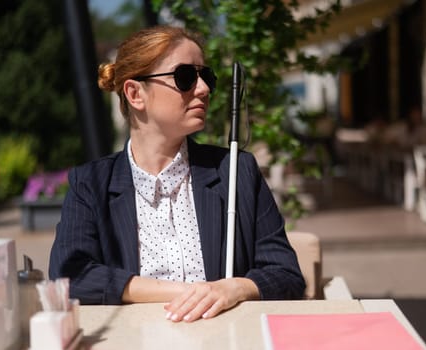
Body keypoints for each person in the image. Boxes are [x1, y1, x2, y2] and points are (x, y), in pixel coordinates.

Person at [48, 25, 305, 323]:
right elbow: (70, 275)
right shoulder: (91, 183)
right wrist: (188, 292)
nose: (204, 89)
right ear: (135, 94)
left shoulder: (237, 171)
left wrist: (235, 288)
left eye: (205, 76)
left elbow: (287, 275)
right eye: (185, 77)